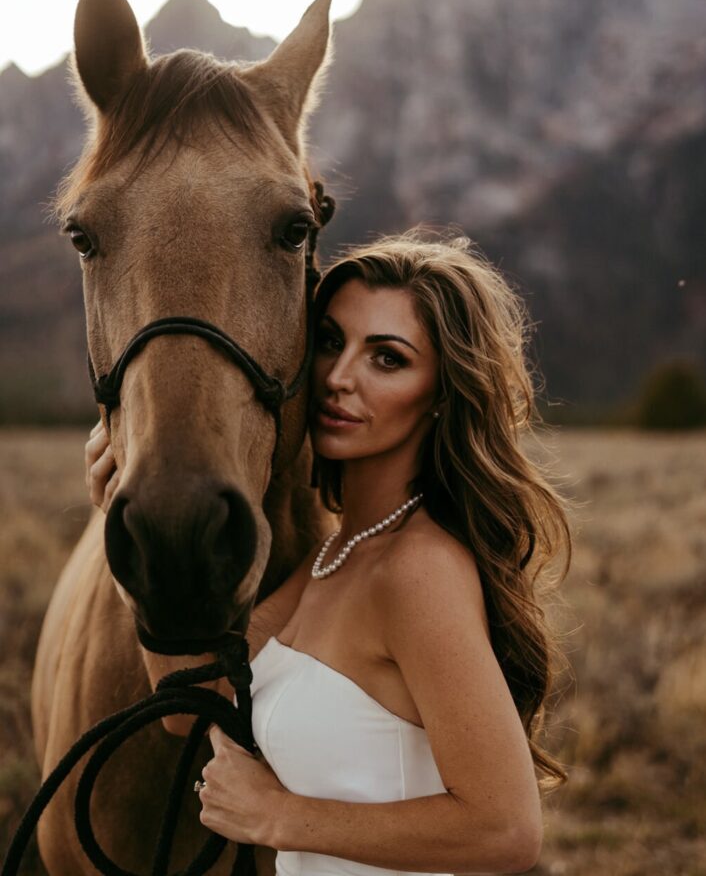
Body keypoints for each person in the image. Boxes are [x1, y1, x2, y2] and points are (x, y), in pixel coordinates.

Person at [85, 230, 571, 875]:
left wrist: (278, 816)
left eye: (387, 359)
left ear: (444, 393)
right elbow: (186, 707)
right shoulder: (337, 554)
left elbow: (507, 831)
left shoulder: (415, 570)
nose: (339, 379)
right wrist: (125, 533)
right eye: (330, 343)